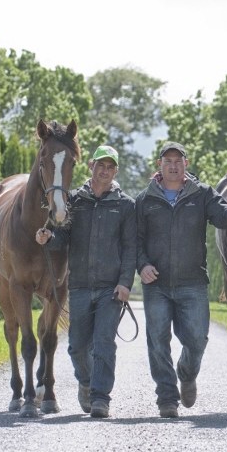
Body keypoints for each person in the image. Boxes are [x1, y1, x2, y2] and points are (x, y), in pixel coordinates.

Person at [136, 141, 227, 418]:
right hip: (156, 285)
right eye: (168, 161)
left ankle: (187, 372)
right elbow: (135, 240)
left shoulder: (201, 194)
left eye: (178, 161)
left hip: (192, 283)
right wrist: (141, 265)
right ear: (160, 165)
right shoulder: (146, 199)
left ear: (185, 165)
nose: (173, 165)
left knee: (197, 339)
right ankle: (167, 398)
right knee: (157, 340)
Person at [36, 144, 135, 419]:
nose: (105, 171)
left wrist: (125, 282)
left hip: (109, 289)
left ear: (116, 171)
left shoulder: (125, 205)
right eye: (100, 165)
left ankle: (101, 398)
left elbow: (130, 249)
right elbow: (63, 238)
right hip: (79, 285)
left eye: (110, 167)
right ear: (91, 167)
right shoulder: (76, 200)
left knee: (104, 343)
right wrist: (49, 239)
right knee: (77, 345)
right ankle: (87, 382)